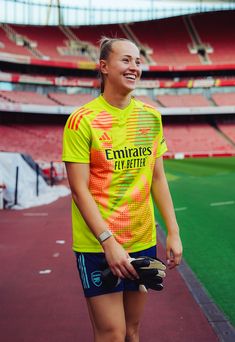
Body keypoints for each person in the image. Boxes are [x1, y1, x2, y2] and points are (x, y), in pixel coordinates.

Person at [62, 37, 183, 342]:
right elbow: (79, 191)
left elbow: (157, 178)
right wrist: (108, 242)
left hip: (141, 239)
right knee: (113, 335)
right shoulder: (81, 121)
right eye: (126, 60)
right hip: (98, 245)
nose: (134, 67)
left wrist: (173, 230)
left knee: (132, 331)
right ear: (103, 67)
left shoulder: (151, 117)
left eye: (138, 61)